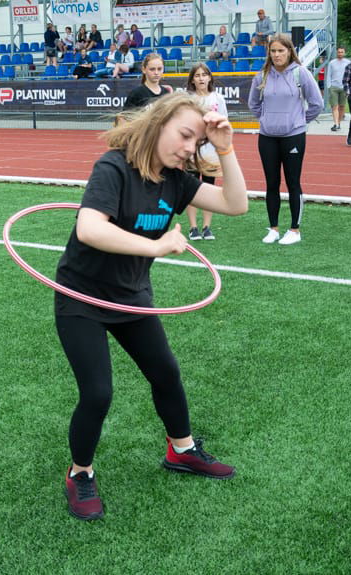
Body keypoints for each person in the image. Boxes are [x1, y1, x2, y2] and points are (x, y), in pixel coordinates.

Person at [56, 91, 247, 521]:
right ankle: (79, 472)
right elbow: (88, 228)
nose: (187, 148)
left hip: (131, 297)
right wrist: (157, 246)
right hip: (81, 297)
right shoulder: (114, 167)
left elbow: (236, 205)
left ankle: (181, 450)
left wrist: (226, 148)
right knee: (98, 392)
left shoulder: (177, 180)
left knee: (166, 372)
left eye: (195, 143)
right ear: (158, 123)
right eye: (184, 135)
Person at [248, 34, 323, 246]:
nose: (277, 55)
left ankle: (294, 230)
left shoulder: (301, 73)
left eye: (281, 50)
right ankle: (273, 228)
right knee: (271, 183)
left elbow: (317, 104)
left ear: (289, 51)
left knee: (292, 183)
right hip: (267, 137)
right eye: (273, 51)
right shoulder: (261, 76)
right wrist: (266, 120)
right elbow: (254, 104)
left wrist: (298, 121)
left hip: (294, 137)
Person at [185, 64, 227, 241]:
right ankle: (193, 227)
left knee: (209, 188)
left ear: (210, 78)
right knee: (192, 188)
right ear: (192, 80)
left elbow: (224, 121)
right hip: (192, 150)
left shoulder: (218, 98)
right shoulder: (188, 99)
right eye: (197, 75)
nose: (201, 78)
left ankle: (207, 226)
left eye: (204, 75)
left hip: (211, 151)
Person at [325, 47, 349, 131]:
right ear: (336, 53)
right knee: (334, 106)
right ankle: (335, 124)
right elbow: (328, 75)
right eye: (339, 52)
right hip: (333, 87)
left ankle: (339, 123)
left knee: (342, 106)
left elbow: (350, 75)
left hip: (344, 87)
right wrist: (329, 86)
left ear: (344, 53)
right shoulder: (332, 63)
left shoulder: (348, 63)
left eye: (342, 52)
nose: (340, 54)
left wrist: (348, 86)